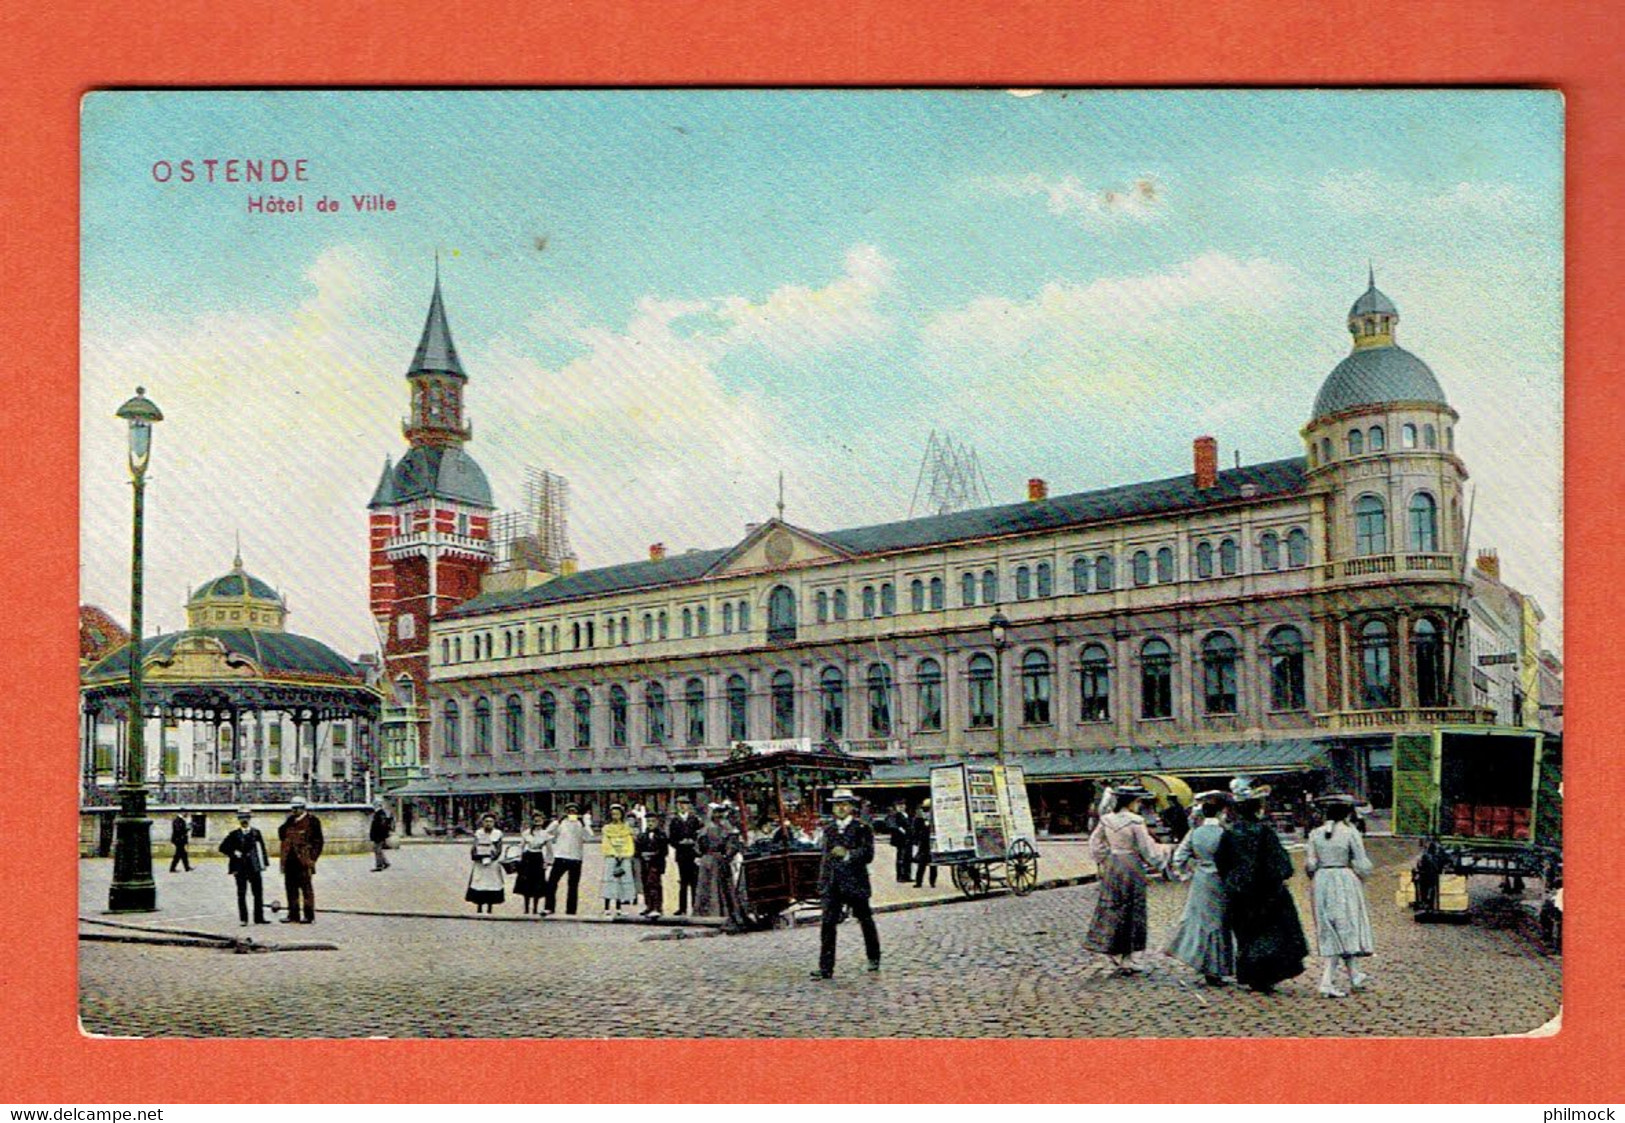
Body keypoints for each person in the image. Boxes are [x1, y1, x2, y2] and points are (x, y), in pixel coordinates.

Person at [1214, 777, 1309, 994]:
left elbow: (1221, 861)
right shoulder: (1264, 832)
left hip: (1239, 892)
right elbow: (1279, 862)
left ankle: (1250, 973)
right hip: (1266, 892)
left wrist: (1233, 881)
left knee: (1246, 934)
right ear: (1256, 809)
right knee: (1271, 933)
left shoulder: (1230, 832)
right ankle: (1265, 975)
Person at [1083, 784, 1168, 973]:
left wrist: (1104, 857)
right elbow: (1147, 848)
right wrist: (1163, 854)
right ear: (1131, 802)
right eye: (1137, 802)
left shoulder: (1106, 820)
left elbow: (1095, 843)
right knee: (1133, 907)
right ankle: (1129, 957)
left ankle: (1112, 949)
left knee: (1113, 904)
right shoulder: (1135, 821)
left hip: (1113, 864)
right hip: (1131, 864)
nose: (1138, 805)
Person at [1305, 794, 1375, 998]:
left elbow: (1310, 864)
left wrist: (1317, 875)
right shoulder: (1350, 833)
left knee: (1332, 924)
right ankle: (1327, 982)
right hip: (1344, 879)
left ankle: (1355, 975)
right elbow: (1362, 863)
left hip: (1322, 880)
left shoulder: (1315, 834)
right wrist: (1362, 875)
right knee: (1346, 925)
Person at [1163, 791, 1235, 985]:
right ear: (1221, 812)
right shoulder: (1225, 832)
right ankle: (1218, 968)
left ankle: (1203, 963)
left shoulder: (1195, 833)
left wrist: (1188, 873)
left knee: (1202, 922)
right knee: (1220, 923)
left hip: (1201, 880)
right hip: (1221, 880)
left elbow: (1178, 858)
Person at [810, 787, 882, 979]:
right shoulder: (829, 829)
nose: (840, 808)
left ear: (851, 807)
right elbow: (825, 858)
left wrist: (849, 854)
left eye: (844, 804)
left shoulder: (862, 828)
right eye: (836, 805)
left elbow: (868, 854)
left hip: (854, 882)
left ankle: (874, 957)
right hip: (833, 884)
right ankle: (826, 967)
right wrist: (822, 882)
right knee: (827, 924)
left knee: (865, 920)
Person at [218, 806, 270, 926]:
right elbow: (222, 848)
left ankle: (259, 917)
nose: (244, 820)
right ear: (239, 819)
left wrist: (264, 864)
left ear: (249, 819)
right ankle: (244, 919)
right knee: (242, 894)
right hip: (240, 868)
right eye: (242, 818)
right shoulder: (234, 834)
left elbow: (262, 849)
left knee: (258, 893)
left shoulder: (256, 833)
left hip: (254, 867)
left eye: (246, 817)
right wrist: (233, 852)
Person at [277, 796, 324, 924]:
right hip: (289, 860)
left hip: (304, 860)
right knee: (290, 888)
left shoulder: (313, 821)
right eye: (292, 808)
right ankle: (293, 914)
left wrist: (312, 858)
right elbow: (281, 834)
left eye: (296, 808)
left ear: (303, 808)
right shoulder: (290, 821)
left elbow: (318, 842)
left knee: (306, 889)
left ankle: (309, 916)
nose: (294, 811)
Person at [542, 803, 591, 916]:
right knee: (552, 883)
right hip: (560, 856)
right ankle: (549, 907)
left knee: (573, 885)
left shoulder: (580, 824)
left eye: (574, 811)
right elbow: (547, 833)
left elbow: (588, 836)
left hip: (576, 857)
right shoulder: (561, 824)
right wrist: (557, 821)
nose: (571, 814)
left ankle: (571, 910)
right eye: (569, 811)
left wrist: (583, 823)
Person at [695, 802, 741, 920]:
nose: (718, 816)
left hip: (718, 859)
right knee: (708, 885)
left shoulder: (725, 827)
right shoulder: (708, 828)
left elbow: (733, 844)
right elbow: (699, 845)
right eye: (716, 813)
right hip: (710, 859)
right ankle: (709, 911)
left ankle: (721, 910)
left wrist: (727, 856)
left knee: (719, 885)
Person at [600, 803, 638, 918]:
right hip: (612, 857)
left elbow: (629, 843)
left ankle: (619, 907)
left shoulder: (627, 829)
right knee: (610, 880)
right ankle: (607, 907)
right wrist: (614, 853)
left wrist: (624, 854)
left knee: (621, 881)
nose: (615, 816)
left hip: (624, 857)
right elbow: (606, 843)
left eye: (617, 814)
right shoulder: (607, 828)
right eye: (613, 814)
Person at [466, 812, 506, 914]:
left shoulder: (497, 834)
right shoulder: (479, 833)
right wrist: (476, 856)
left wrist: (492, 857)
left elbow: (499, 849)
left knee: (491, 883)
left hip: (492, 864)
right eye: (486, 821)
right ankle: (479, 906)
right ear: (483, 822)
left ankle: (490, 907)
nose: (488, 824)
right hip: (480, 862)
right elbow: (474, 847)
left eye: (491, 822)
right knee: (479, 882)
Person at [514, 811, 554, 914]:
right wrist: (519, 858)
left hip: (538, 858)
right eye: (535, 819)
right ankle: (526, 908)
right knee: (526, 883)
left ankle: (535, 908)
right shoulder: (527, 832)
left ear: (543, 821)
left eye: (540, 819)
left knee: (537, 883)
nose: (538, 821)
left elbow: (549, 850)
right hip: (528, 858)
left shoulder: (545, 834)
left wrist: (547, 862)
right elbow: (521, 846)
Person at [668, 797, 702, 916]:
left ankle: (695, 906)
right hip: (682, 853)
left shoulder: (695, 820)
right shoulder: (674, 821)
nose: (682, 806)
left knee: (694, 881)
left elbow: (699, 836)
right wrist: (679, 843)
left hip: (693, 853)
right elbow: (671, 839)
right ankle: (682, 908)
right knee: (683, 882)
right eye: (680, 804)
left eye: (685, 804)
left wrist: (693, 842)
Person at [636, 809, 669, 918]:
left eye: (653, 821)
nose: (650, 824)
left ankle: (657, 907)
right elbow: (637, 849)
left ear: (657, 822)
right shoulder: (642, 836)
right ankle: (649, 906)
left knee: (654, 884)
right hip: (644, 864)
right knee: (646, 884)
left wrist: (652, 855)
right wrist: (642, 854)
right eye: (648, 821)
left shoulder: (662, 835)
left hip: (656, 863)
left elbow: (664, 851)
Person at [910, 799, 937, 888]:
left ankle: (932, 882)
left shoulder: (934, 817)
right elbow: (915, 830)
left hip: (931, 842)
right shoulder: (919, 817)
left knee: (933, 864)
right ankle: (919, 882)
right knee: (922, 864)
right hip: (924, 842)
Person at [886, 801, 913, 882]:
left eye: (903, 805)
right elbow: (892, 824)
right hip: (900, 840)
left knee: (908, 858)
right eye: (899, 805)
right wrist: (900, 829)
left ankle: (907, 875)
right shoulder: (895, 815)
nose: (901, 807)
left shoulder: (907, 815)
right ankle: (900, 876)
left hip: (908, 839)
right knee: (901, 858)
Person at [369, 800, 394, 871]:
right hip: (379, 835)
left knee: (377, 850)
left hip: (379, 835)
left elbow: (380, 826)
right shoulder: (380, 813)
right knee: (378, 849)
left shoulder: (379, 814)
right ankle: (385, 863)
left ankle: (379, 865)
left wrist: (377, 835)